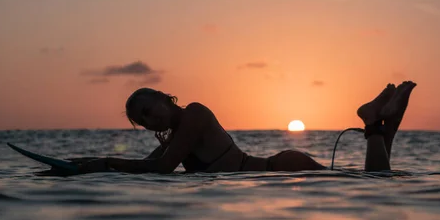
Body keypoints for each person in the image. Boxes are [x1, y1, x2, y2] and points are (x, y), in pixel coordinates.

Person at [75, 81, 416, 174]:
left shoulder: (193, 114)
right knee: (379, 182)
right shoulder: (177, 136)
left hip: (282, 170)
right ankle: (385, 122)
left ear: (167, 98)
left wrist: (105, 163)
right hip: (279, 169)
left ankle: (372, 121)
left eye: (151, 110)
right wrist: (85, 166)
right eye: (144, 120)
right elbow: (150, 166)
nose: (152, 120)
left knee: (376, 181)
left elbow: (161, 169)